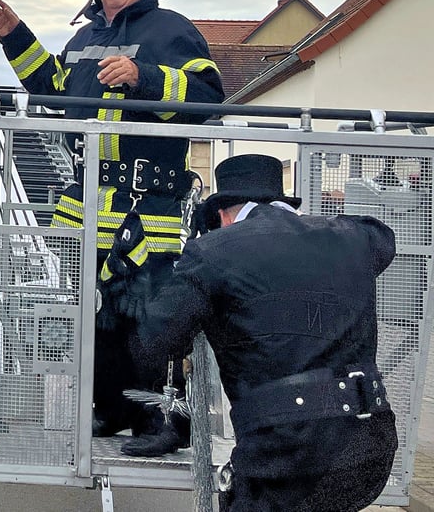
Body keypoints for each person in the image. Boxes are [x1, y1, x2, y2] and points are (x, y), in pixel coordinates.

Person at [0, 0, 225, 455]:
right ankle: (113, 410)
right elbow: (55, 93)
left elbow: (209, 97)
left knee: (149, 320)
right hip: (85, 206)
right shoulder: (83, 40)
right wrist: (16, 38)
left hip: (150, 208)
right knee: (94, 319)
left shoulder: (173, 31)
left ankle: (164, 423)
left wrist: (145, 76)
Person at [132, 154, 397, 510]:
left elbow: (154, 342)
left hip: (284, 454)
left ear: (224, 213)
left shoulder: (213, 253)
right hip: (369, 445)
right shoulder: (355, 236)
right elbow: (383, 237)